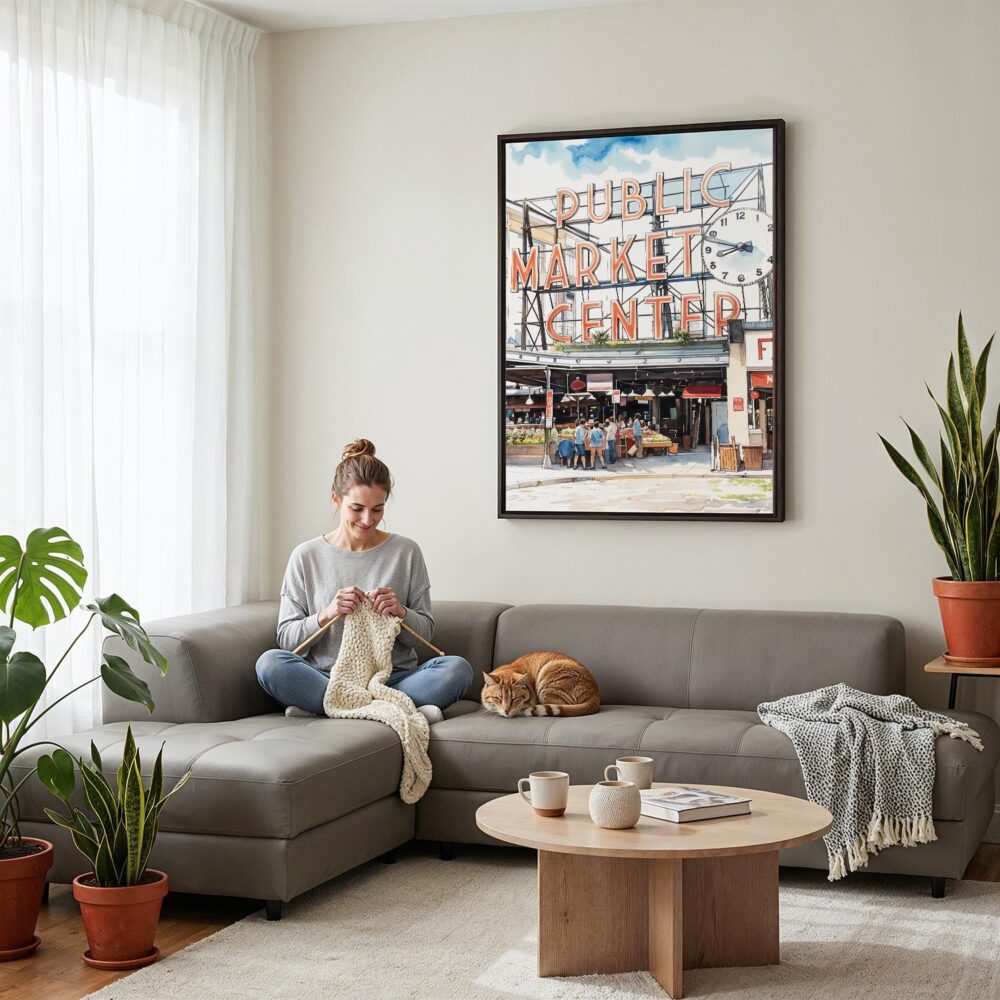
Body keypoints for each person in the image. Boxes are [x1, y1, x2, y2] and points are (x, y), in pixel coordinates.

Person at [255, 439, 474, 725]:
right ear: (336, 499)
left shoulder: (406, 552)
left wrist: (401, 612)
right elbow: (287, 640)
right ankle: (394, 709)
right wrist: (327, 613)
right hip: (327, 676)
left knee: (457, 670)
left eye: (377, 509)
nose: (368, 520)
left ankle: (330, 706)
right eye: (357, 508)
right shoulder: (305, 556)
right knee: (270, 664)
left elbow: (426, 633)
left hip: (392, 679)